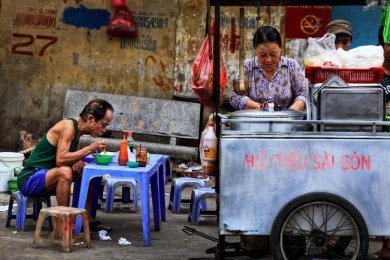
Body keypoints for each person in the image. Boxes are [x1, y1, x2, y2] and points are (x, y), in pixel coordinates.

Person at [17, 99, 114, 232]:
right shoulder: (68, 127)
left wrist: (79, 162)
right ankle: (63, 225)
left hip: (48, 177)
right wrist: (89, 149)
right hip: (30, 179)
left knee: (89, 172)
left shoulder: (78, 131)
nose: (104, 130)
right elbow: (61, 160)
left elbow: (72, 157)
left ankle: (88, 219)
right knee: (65, 172)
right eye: (103, 125)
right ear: (91, 119)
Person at [229, 26, 307, 112]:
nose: (268, 60)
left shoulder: (291, 65)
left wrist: (291, 111)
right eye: (263, 55)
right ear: (255, 50)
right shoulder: (247, 66)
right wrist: (258, 107)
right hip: (253, 123)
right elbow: (235, 96)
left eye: (273, 54)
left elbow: (303, 94)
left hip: (287, 122)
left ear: (280, 49)